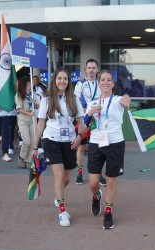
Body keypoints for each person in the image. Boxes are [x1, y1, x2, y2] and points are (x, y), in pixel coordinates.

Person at [32, 67, 85, 227]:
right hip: (51, 140)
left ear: (69, 82)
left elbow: (81, 123)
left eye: (65, 79)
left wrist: (79, 137)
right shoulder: (47, 100)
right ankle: (63, 211)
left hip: (69, 141)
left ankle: (58, 194)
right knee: (59, 175)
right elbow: (40, 124)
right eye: (59, 78)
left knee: (67, 178)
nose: (62, 81)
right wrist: (35, 146)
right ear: (54, 81)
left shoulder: (74, 99)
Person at [84, 70, 131, 230]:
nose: (105, 82)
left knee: (111, 180)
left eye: (108, 80)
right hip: (96, 143)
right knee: (93, 182)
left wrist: (126, 100)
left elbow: (125, 100)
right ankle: (96, 196)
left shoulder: (117, 100)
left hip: (115, 143)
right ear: (99, 83)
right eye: (102, 80)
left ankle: (108, 212)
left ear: (112, 83)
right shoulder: (92, 103)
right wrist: (89, 113)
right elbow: (84, 124)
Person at [74, 59, 106, 186]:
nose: (91, 70)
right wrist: (86, 111)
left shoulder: (101, 83)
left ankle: (100, 174)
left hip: (100, 119)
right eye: (89, 68)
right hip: (85, 119)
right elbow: (75, 101)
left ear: (97, 70)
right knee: (81, 147)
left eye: (94, 68)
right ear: (85, 70)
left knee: (101, 147)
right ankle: (79, 173)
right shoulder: (80, 84)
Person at [16, 75, 37, 168]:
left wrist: (34, 102)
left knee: (33, 141)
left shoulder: (33, 94)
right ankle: (22, 157)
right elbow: (19, 109)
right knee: (27, 141)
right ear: (23, 85)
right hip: (23, 120)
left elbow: (38, 106)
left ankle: (28, 160)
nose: (30, 85)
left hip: (32, 120)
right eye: (28, 84)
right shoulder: (19, 95)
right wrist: (29, 114)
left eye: (30, 83)